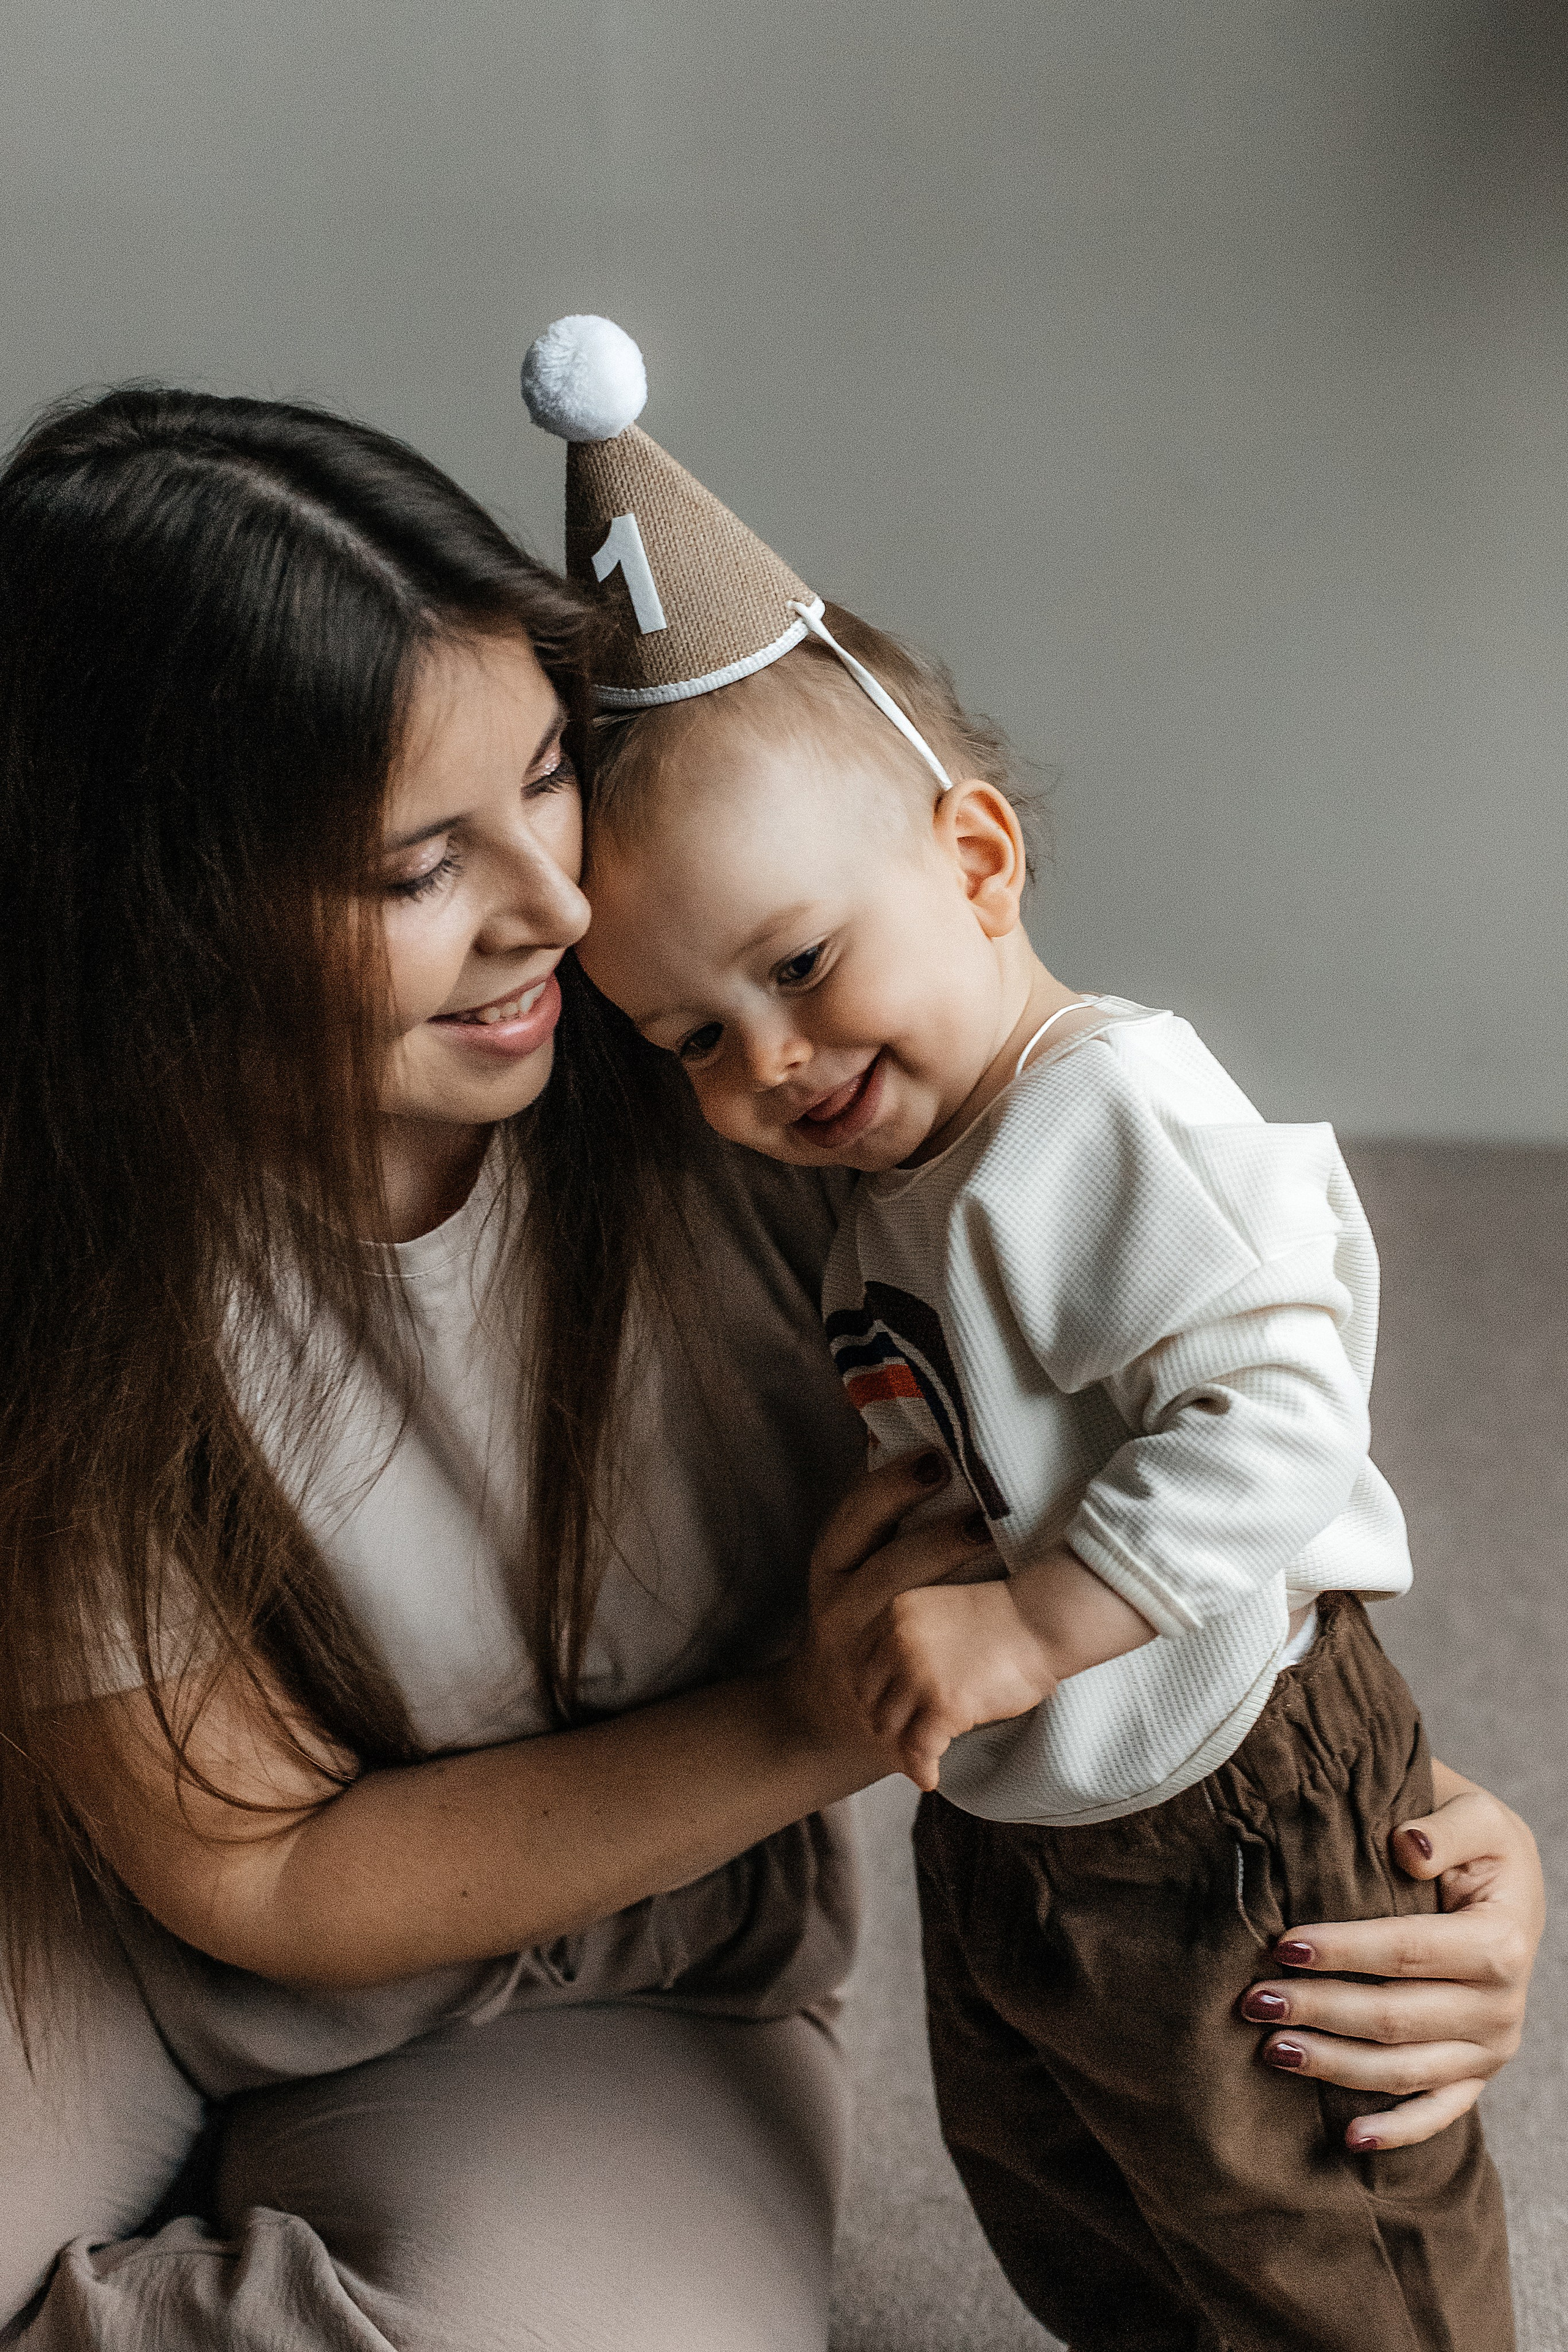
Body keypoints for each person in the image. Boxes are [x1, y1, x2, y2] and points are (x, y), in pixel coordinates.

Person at [0, 374, 1541, 2352]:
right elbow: (269, 1878)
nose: (562, 909)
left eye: (548, 774)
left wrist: (1398, 1824)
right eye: (414, 871)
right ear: (154, 932)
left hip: (618, 1980)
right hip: (107, 1919)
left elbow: (1184, 1415)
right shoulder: (73, 1251)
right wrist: (831, 1703)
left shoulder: (748, 1076)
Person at [532, 316, 1525, 2348]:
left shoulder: (1111, 1112)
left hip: (1234, 1790)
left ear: (975, 858)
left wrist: (1026, 1627)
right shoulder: (889, 1167)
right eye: (693, 1037)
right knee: (1086, 2214)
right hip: (1033, 1816)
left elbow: (1281, 1413)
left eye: (803, 966)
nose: (772, 1062)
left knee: (1320, 2252)